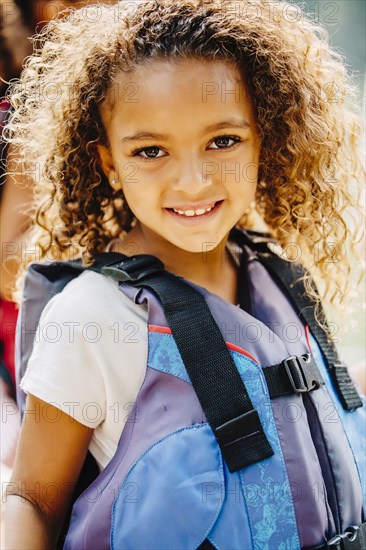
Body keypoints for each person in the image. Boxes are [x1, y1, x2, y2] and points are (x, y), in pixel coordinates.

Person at [2, 0, 365, 548]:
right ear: (109, 164)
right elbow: (33, 499)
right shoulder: (88, 318)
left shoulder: (281, 279)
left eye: (223, 141)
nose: (193, 182)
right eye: (151, 151)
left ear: (265, 138)